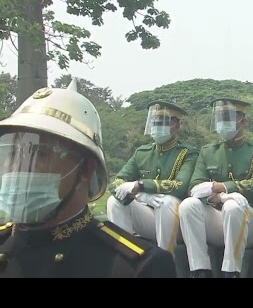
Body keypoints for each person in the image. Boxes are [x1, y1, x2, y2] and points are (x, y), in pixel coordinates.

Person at [0, 80, 176, 278]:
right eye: (13, 153)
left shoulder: (138, 266)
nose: (17, 168)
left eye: (40, 153)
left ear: (87, 169)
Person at [179, 98, 253, 278]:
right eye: (220, 119)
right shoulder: (208, 151)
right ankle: (201, 270)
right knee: (188, 205)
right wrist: (221, 197)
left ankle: (231, 272)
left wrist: (219, 186)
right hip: (218, 217)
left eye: (229, 119)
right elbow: (194, 185)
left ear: (243, 122)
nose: (224, 124)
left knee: (233, 207)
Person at [106, 100, 198, 255]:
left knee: (165, 201)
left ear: (177, 125)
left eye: (163, 122)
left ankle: (166, 261)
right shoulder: (142, 152)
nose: (157, 126)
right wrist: (140, 195)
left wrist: (141, 185)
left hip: (177, 223)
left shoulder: (187, 153)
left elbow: (180, 185)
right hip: (149, 219)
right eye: (155, 122)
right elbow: (116, 182)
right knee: (114, 201)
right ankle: (126, 258)